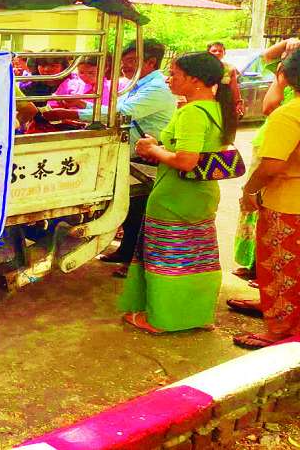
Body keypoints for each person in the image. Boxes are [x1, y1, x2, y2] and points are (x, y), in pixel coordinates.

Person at [118, 51, 237, 334]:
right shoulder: (218, 109)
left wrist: (152, 149)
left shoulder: (192, 112)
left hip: (175, 196)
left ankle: (161, 319)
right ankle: (196, 314)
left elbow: (186, 160)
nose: (168, 80)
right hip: (202, 195)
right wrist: (161, 147)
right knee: (197, 258)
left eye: (174, 74)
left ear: (194, 80)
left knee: (166, 258)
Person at [226, 38, 300, 316]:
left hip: (287, 203)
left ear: (286, 75)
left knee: (283, 268)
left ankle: (279, 329)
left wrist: (249, 190)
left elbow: (271, 166)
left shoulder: (288, 113)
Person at [89, 40, 176, 271]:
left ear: (150, 62)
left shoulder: (156, 88)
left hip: (148, 158)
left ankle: (138, 262)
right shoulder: (136, 85)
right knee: (130, 208)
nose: (124, 66)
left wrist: (73, 111)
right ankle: (126, 251)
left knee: (141, 211)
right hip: (134, 155)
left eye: (131, 61)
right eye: (124, 61)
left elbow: (122, 112)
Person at [207, 42, 244, 118]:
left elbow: (234, 87)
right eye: (214, 51)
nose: (217, 53)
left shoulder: (230, 68)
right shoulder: (202, 68)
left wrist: (238, 102)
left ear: (224, 53)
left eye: (220, 51)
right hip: (207, 100)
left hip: (224, 100)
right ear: (208, 53)